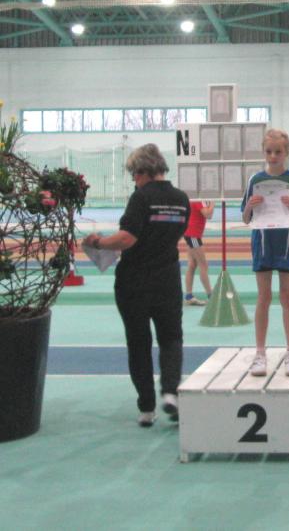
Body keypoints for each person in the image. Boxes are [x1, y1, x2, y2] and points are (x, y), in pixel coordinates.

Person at [83, 144, 189, 428]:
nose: (134, 180)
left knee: (139, 343)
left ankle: (146, 408)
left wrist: (98, 242)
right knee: (171, 338)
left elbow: (127, 238)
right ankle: (170, 392)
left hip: (135, 282)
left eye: (134, 174)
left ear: (142, 171)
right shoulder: (181, 199)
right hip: (167, 279)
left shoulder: (141, 198)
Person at [242, 129, 289, 377]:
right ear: (263, 152)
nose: (273, 156)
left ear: (286, 152)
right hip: (263, 244)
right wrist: (249, 206)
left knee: (286, 297)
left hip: (288, 244)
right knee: (263, 297)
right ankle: (260, 354)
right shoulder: (255, 180)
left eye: (278, 152)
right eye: (269, 151)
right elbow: (245, 219)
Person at [183, 200, 215, 306]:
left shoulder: (199, 200)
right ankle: (211, 295)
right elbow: (208, 215)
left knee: (192, 265)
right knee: (203, 265)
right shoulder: (199, 200)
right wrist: (212, 204)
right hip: (193, 235)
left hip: (190, 233)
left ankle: (188, 296)